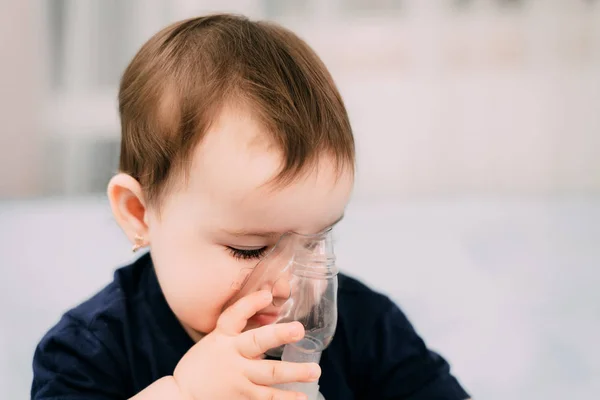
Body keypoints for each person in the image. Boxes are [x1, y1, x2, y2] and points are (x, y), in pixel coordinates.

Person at [31, 14, 469, 400]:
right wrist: (184, 394)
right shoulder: (87, 351)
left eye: (315, 242)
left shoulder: (366, 326)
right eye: (250, 249)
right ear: (139, 214)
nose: (289, 287)